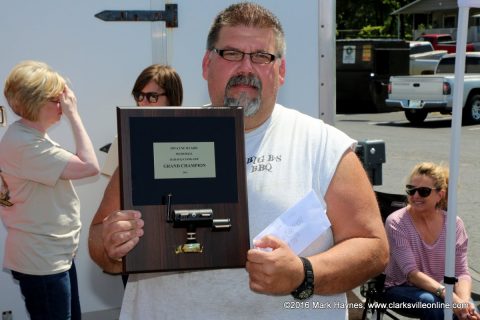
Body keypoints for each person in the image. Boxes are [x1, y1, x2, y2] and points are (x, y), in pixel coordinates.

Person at [88, 3, 388, 319]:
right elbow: (99, 245)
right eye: (231, 54)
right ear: (206, 64)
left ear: (281, 71)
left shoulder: (323, 145)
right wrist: (110, 244)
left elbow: (372, 246)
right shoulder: (154, 137)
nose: (246, 67)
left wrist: (304, 273)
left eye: (261, 56)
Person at [0, 60, 100, 319]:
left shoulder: (29, 136)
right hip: (42, 260)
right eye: (57, 99)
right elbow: (90, 166)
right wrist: (74, 115)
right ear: (36, 102)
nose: (63, 104)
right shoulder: (25, 145)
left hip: (52, 255)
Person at [98, 64, 183, 287]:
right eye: (139, 95)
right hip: (137, 243)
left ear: (172, 98)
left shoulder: (189, 134)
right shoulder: (125, 136)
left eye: (152, 96)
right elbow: (114, 200)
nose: (143, 102)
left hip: (179, 244)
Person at [383, 162, 479, 320]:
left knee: (470, 312)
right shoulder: (396, 222)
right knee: (434, 305)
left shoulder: (454, 224)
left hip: (440, 289)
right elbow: (412, 274)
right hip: (400, 287)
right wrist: (450, 298)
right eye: (411, 190)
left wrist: (463, 303)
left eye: (423, 192)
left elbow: (461, 272)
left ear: (440, 195)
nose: (415, 196)